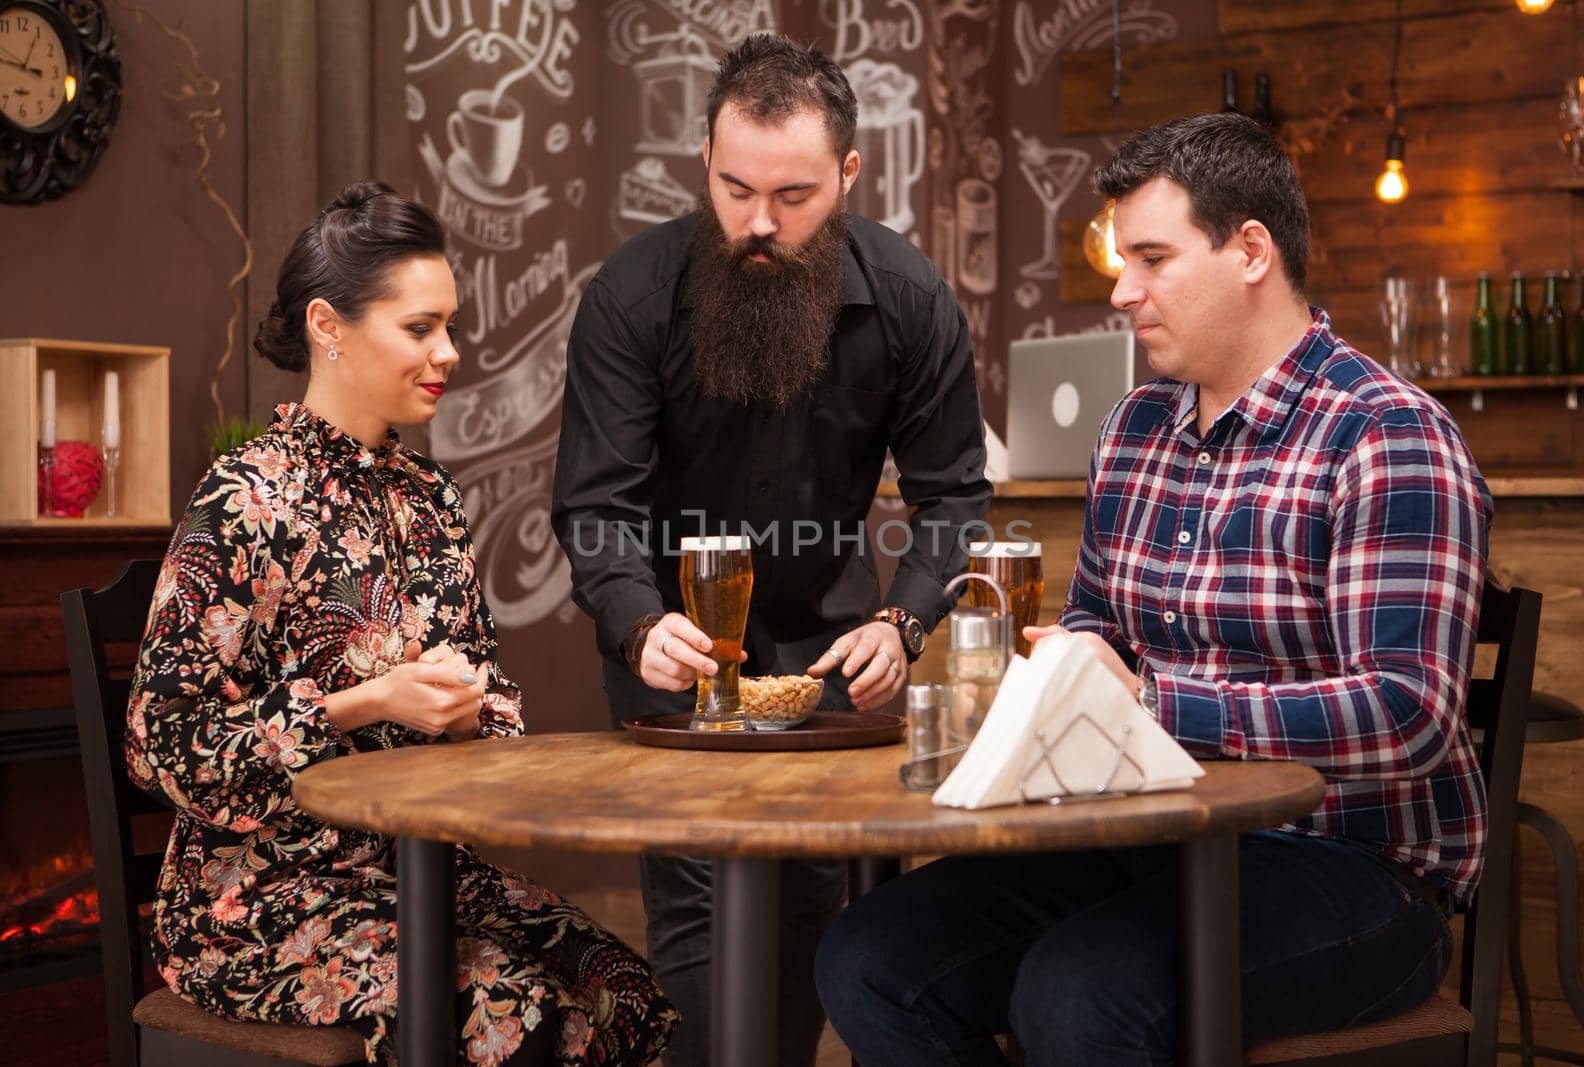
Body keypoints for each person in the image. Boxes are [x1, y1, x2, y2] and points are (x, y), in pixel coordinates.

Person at [815, 113, 1492, 1065]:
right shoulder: (1132, 429)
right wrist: (1065, 671)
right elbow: (1101, 625)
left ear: (1250, 250)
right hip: (1150, 840)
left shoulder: (1387, 437)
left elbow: (1406, 714)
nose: (1122, 289)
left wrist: (1151, 702)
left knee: (1078, 990)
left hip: (1352, 870)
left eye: (1152, 257)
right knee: (866, 955)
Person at [126, 181, 677, 1067]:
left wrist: (470, 709)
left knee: (621, 989)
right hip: (256, 903)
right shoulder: (246, 500)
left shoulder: (429, 497)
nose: (448, 352)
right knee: (519, 1015)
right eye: (420, 328)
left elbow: (493, 702)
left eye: (450, 325)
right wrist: (358, 702)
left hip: (415, 874)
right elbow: (162, 746)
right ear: (328, 326)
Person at [550, 33, 990, 1067]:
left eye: (791, 195)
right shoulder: (631, 293)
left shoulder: (909, 295)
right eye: (733, 185)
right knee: (697, 909)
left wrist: (905, 619)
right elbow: (595, 504)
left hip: (834, 642)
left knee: (806, 910)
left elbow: (954, 495)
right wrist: (633, 618)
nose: (756, 222)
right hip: (674, 641)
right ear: (704, 160)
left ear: (846, 172)